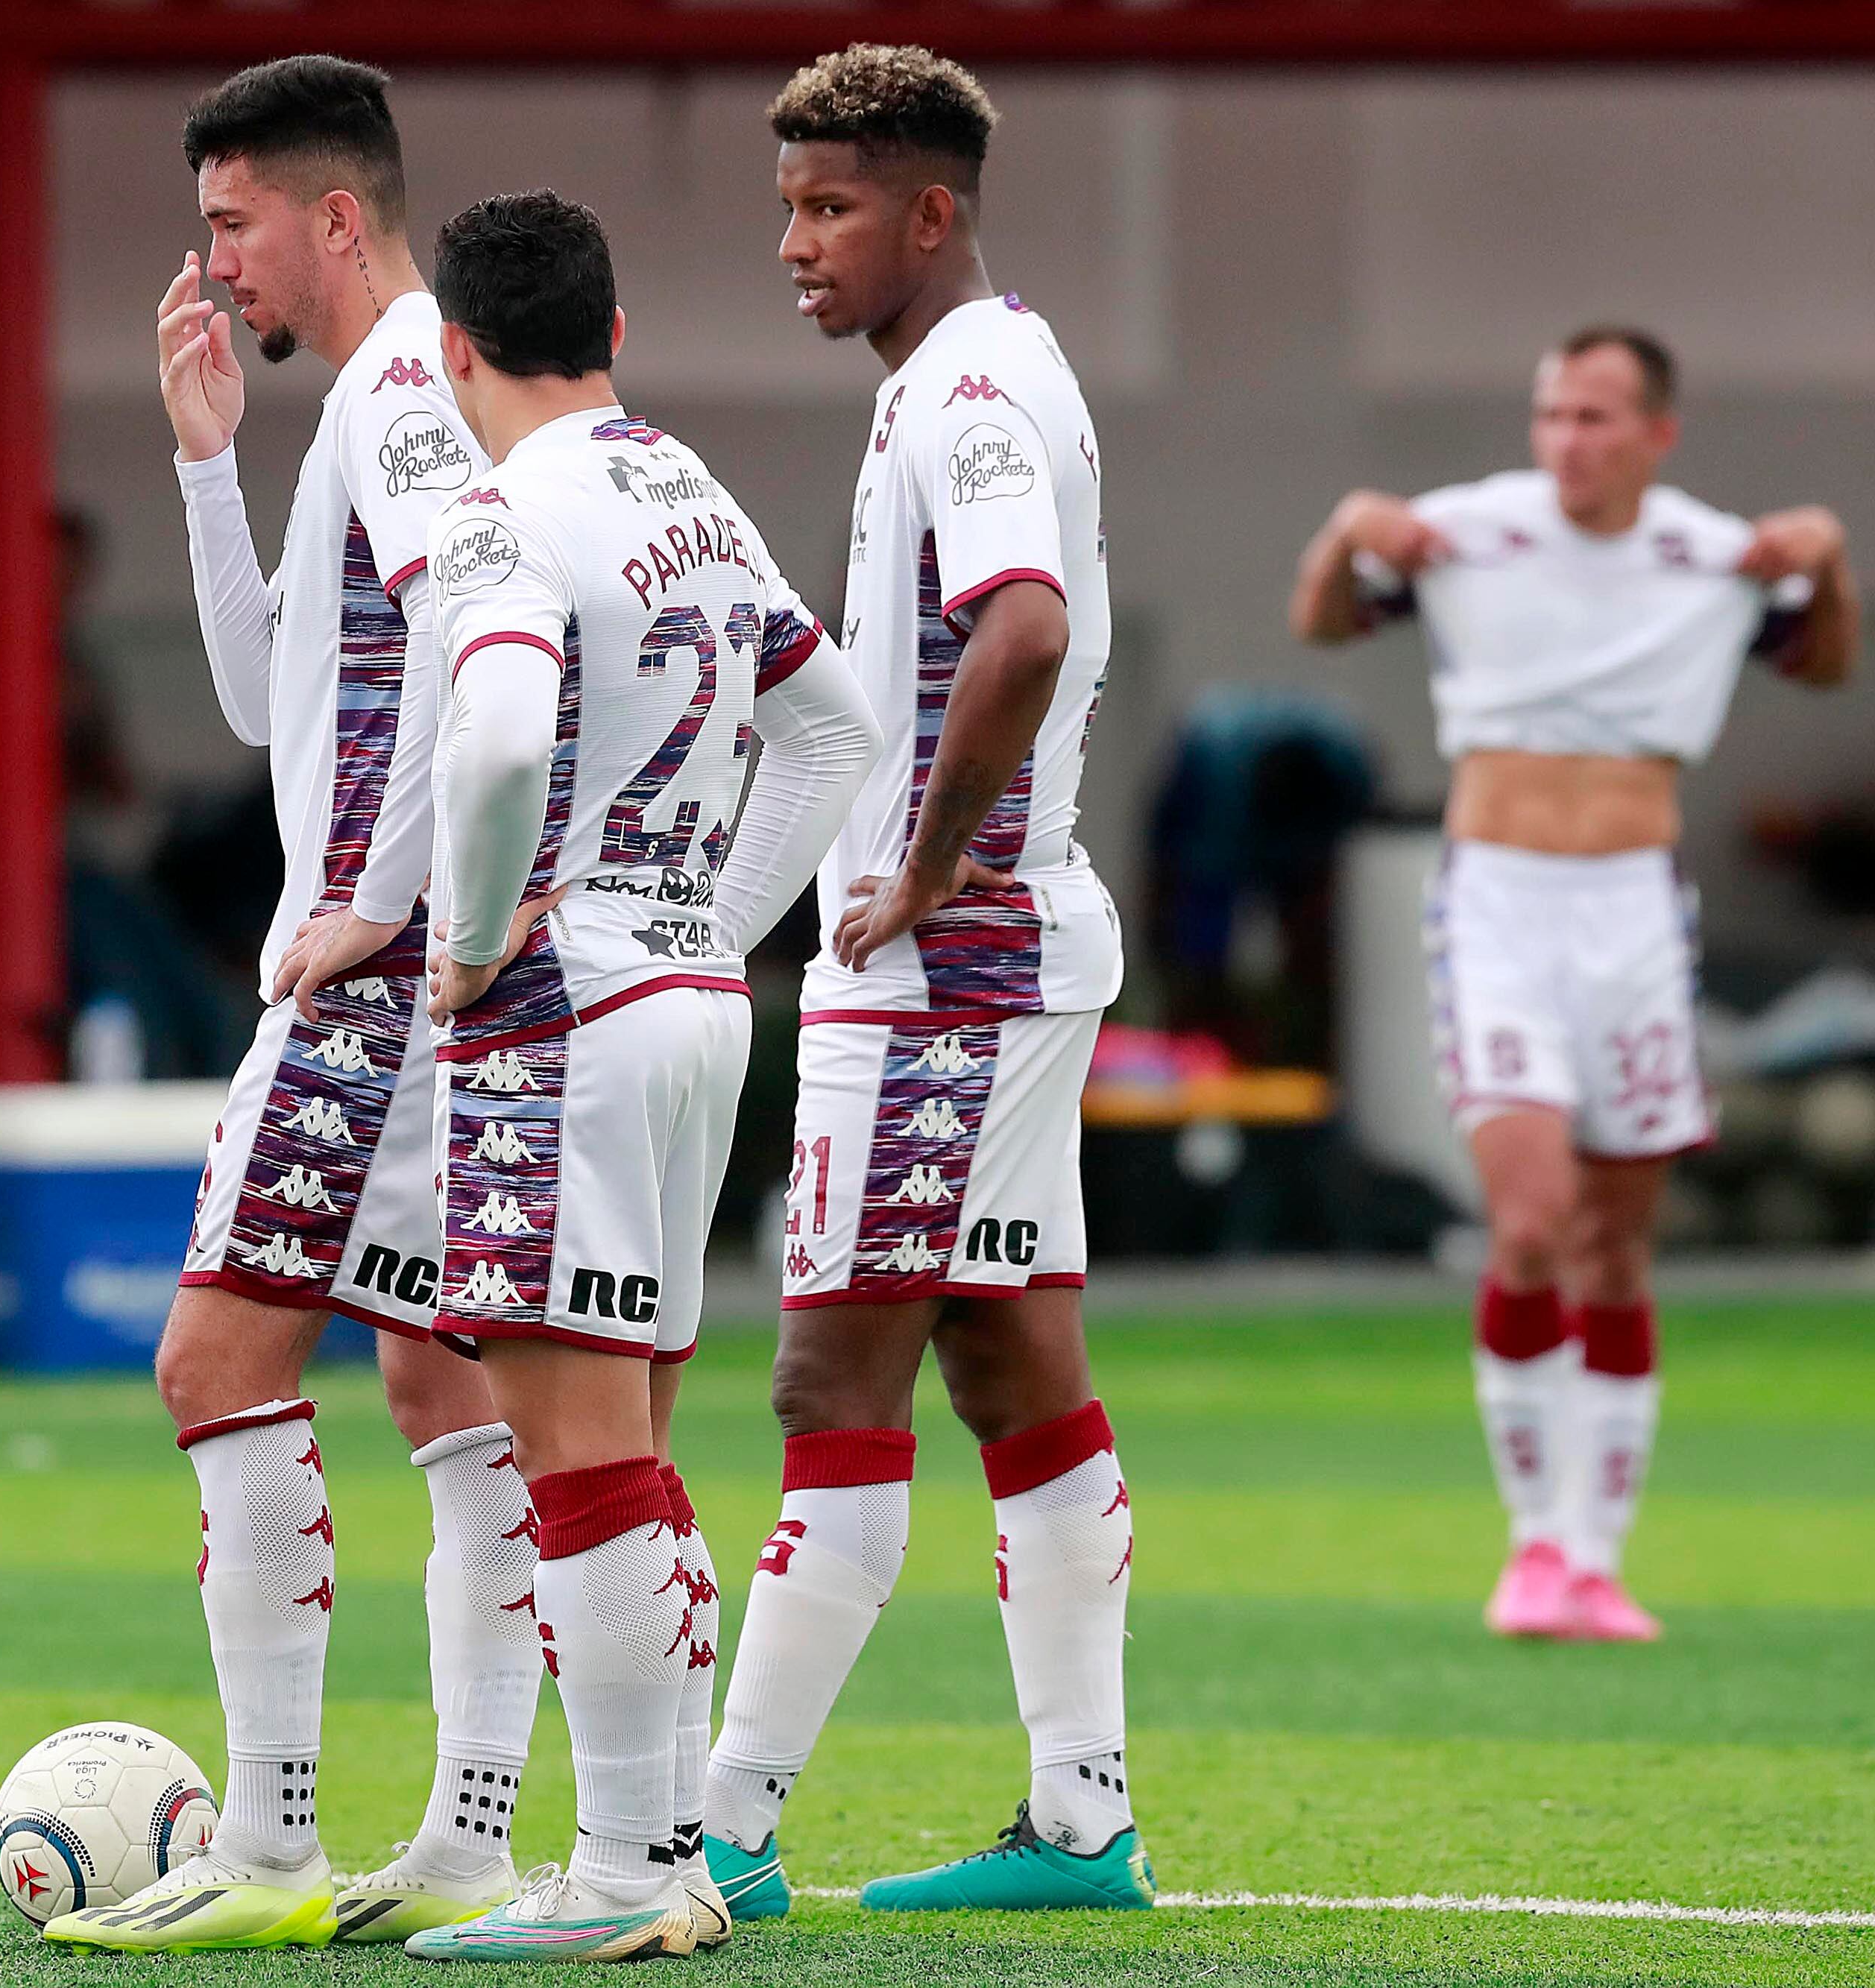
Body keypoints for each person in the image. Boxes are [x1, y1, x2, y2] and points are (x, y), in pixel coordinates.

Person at [43, 57, 535, 1954]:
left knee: (212, 1363)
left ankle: (264, 1844)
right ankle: (473, 1837)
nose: (214, 264)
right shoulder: (383, 403)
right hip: (435, 970)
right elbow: (277, 703)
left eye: (233, 224)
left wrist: (383, 909)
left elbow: (491, 661)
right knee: (439, 1384)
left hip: (376, 979)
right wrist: (199, 463)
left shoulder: (406, 387)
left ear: (339, 216)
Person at [700, 45, 1156, 1919]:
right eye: (789, 207)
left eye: (829, 208)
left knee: (830, 1373)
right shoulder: (979, 368)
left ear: (930, 209)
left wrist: (931, 856)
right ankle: (1079, 1823)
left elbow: (1024, 625)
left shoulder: (965, 387)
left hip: (947, 969)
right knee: (1007, 1359)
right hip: (997, 954)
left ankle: (713, 1824)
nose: (796, 245)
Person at [401, 190, 878, 1963]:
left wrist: (468, 943)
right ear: (613, 334)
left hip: (565, 1007)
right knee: (642, 1438)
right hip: (687, 1005)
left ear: (455, 350)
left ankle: (610, 1875)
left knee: (572, 1448)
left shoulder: (498, 512)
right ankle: (662, 1852)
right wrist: (716, 927)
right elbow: (832, 725)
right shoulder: (682, 484)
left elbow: (509, 725)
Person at [1290, 326, 1856, 1643]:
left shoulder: (1709, 553)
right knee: (1532, 1220)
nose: (1568, 441)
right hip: (1497, 904)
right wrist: (1343, 534)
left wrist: (1826, 566)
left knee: (1615, 1244)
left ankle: (1595, 1557)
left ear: (1658, 433)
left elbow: (1821, 663)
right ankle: (1534, 1544)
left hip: (1637, 917)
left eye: (1599, 418)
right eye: (1554, 413)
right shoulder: (1472, 531)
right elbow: (1327, 618)